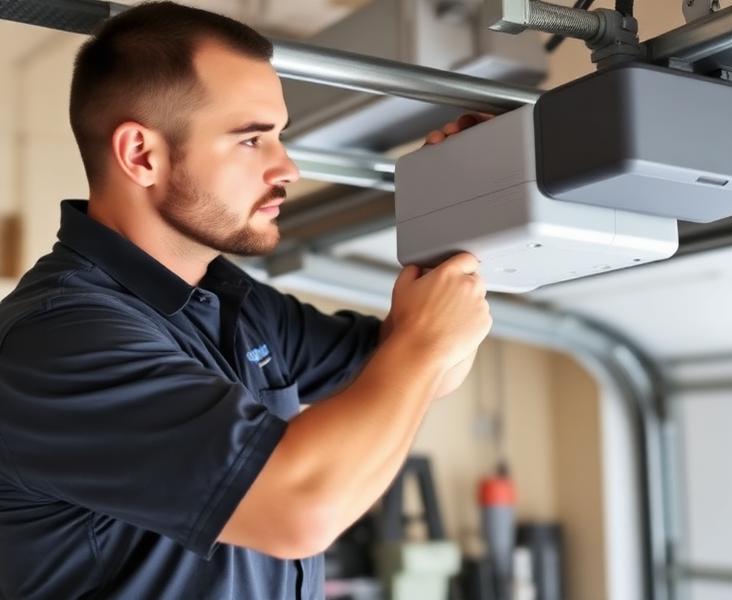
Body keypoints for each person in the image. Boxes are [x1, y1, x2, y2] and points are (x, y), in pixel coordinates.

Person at [0, 2, 492, 599]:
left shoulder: (233, 302)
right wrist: (423, 345)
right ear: (140, 155)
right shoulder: (59, 341)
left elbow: (425, 371)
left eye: (278, 135)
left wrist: (459, 223)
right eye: (252, 139)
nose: (287, 166)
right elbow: (302, 511)